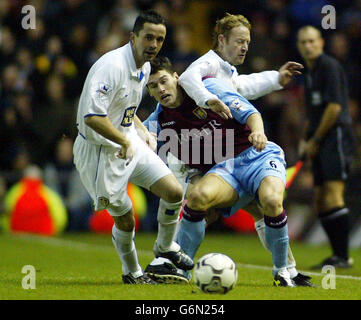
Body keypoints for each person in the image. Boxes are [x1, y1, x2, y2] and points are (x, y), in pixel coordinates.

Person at [145, 13, 311, 285]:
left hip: (255, 156)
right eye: (153, 86)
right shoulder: (162, 115)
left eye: (164, 81)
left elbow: (248, 103)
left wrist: (270, 92)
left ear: (175, 77)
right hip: (224, 167)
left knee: (267, 204)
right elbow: (143, 136)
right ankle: (177, 267)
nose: (161, 89)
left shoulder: (211, 82)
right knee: (198, 200)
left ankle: (285, 271)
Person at [73, 10, 193, 285]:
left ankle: (164, 248)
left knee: (174, 191)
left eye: (159, 39)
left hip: (126, 141)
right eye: (148, 37)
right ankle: (132, 272)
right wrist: (126, 139)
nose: (153, 44)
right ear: (133, 37)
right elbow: (93, 117)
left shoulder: (145, 67)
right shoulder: (111, 66)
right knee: (127, 219)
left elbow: (126, 107)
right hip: (100, 152)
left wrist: (139, 131)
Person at [297, 26, 354, 269]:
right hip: (320, 139)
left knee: (333, 194)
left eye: (312, 41)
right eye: (303, 42)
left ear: (321, 42)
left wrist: (316, 139)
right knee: (320, 199)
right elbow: (313, 112)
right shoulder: (309, 72)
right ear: (299, 46)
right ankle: (337, 254)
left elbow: (334, 109)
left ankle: (343, 256)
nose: (308, 45)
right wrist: (304, 139)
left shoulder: (329, 67)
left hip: (336, 137)